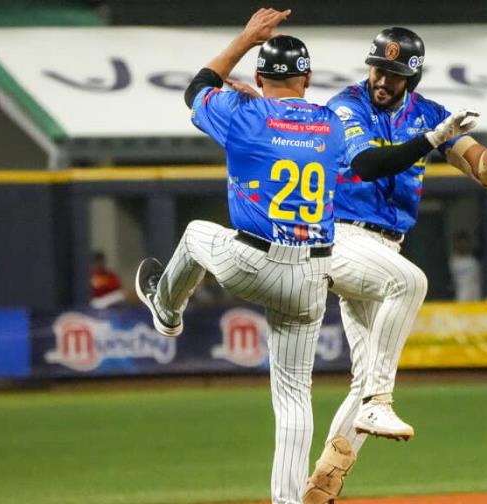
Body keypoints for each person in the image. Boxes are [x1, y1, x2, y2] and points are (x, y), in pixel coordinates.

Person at [304, 26, 487, 504]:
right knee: (410, 284)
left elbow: (484, 173)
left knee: (362, 379)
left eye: (394, 72)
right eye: (378, 68)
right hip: (341, 237)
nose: (382, 79)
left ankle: (323, 483)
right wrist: (432, 139)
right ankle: (380, 403)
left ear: (414, 74)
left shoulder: (429, 113)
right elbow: (365, 164)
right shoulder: (346, 105)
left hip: (384, 248)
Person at [134, 9, 347, 504]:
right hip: (314, 272)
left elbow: (197, 87)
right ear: (307, 78)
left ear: (258, 75)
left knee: (194, 233)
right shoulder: (331, 125)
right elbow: (294, 129)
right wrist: (265, 107)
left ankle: (166, 311)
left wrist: (247, 38)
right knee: (295, 396)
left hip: (252, 261)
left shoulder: (243, 114)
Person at [449, 231, 482, 301]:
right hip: (460, 295)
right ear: (456, 244)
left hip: (475, 295)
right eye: (460, 243)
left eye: (465, 243)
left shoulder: (474, 261)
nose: (463, 246)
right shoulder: (453, 261)